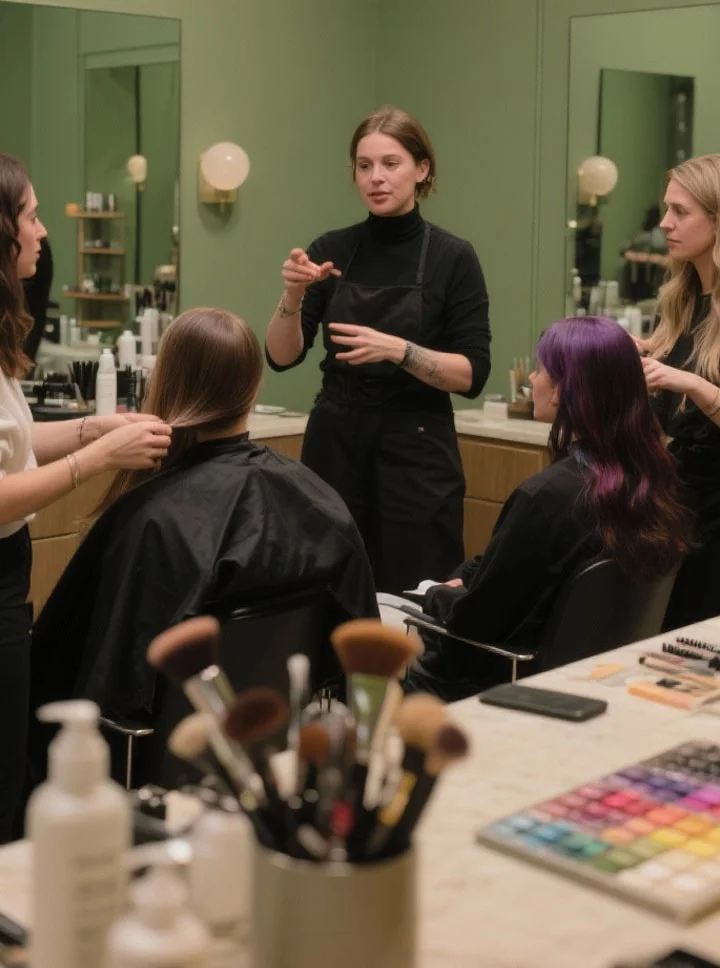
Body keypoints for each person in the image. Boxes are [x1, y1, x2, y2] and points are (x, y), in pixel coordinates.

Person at [29, 307, 379, 785]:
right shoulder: (317, 500)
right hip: (276, 752)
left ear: (167, 383)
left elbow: (82, 675)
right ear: (254, 386)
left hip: (158, 767)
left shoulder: (151, 518)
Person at [0, 151, 172, 841]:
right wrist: (97, 459)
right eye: (32, 216)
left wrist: (89, 429)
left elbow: (13, 444)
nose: (43, 232)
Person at [265, 106, 491, 594]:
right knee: (328, 584)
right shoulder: (331, 248)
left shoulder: (453, 257)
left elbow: (473, 374)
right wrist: (293, 295)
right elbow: (281, 357)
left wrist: (401, 351)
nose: (376, 178)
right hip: (335, 443)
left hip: (417, 449)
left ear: (422, 169)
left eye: (391, 164)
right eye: (364, 166)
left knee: (415, 590)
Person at [404, 316, 689, 702]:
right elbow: (511, 566)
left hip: (493, 683)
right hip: (597, 677)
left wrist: (436, 594)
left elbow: (475, 623)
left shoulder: (547, 498)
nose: (532, 380)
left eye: (539, 370)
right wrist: (466, 579)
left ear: (561, 390)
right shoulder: (649, 481)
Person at [638, 154, 720, 628]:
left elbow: (695, 382)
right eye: (667, 208)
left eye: (681, 212)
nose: (665, 223)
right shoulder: (681, 300)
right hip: (681, 499)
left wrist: (691, 383)